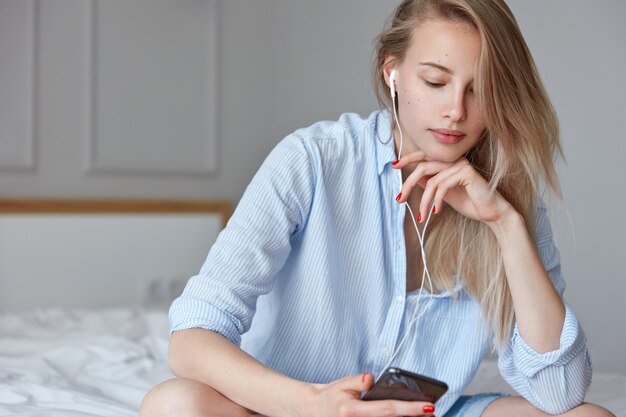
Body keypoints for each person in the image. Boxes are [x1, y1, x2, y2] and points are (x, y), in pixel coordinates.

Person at [140, 1, 616, 416]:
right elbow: (192, 338)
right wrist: (309, 404)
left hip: (432, 412)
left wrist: (507, 226)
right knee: (173, 405)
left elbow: (560, 392)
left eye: (479, 89)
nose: (456, 110)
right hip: (292, 409)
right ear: (393, 72)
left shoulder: (506, 197)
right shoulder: (313, 160)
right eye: (435, 81)